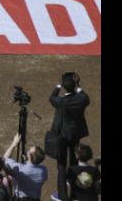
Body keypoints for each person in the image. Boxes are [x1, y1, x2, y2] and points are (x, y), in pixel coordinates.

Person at [48, 73, 90, 201]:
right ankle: (75, 193)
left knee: (61, 165)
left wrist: (59, 84)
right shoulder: (81, 99)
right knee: (74, 161)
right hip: (75, 134)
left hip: (62, 135)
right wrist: (77, 85)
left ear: (64, 88)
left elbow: (52, 97)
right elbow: (84, 96)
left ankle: (62, 196)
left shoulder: (61, 102)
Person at [2, 132, 48, 201]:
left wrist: (14, 144)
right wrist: (27, 162)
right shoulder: (44, 170)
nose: (27, 150)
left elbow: (4, 159)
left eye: (29, 151)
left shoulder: (20, 170)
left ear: (30, 156)